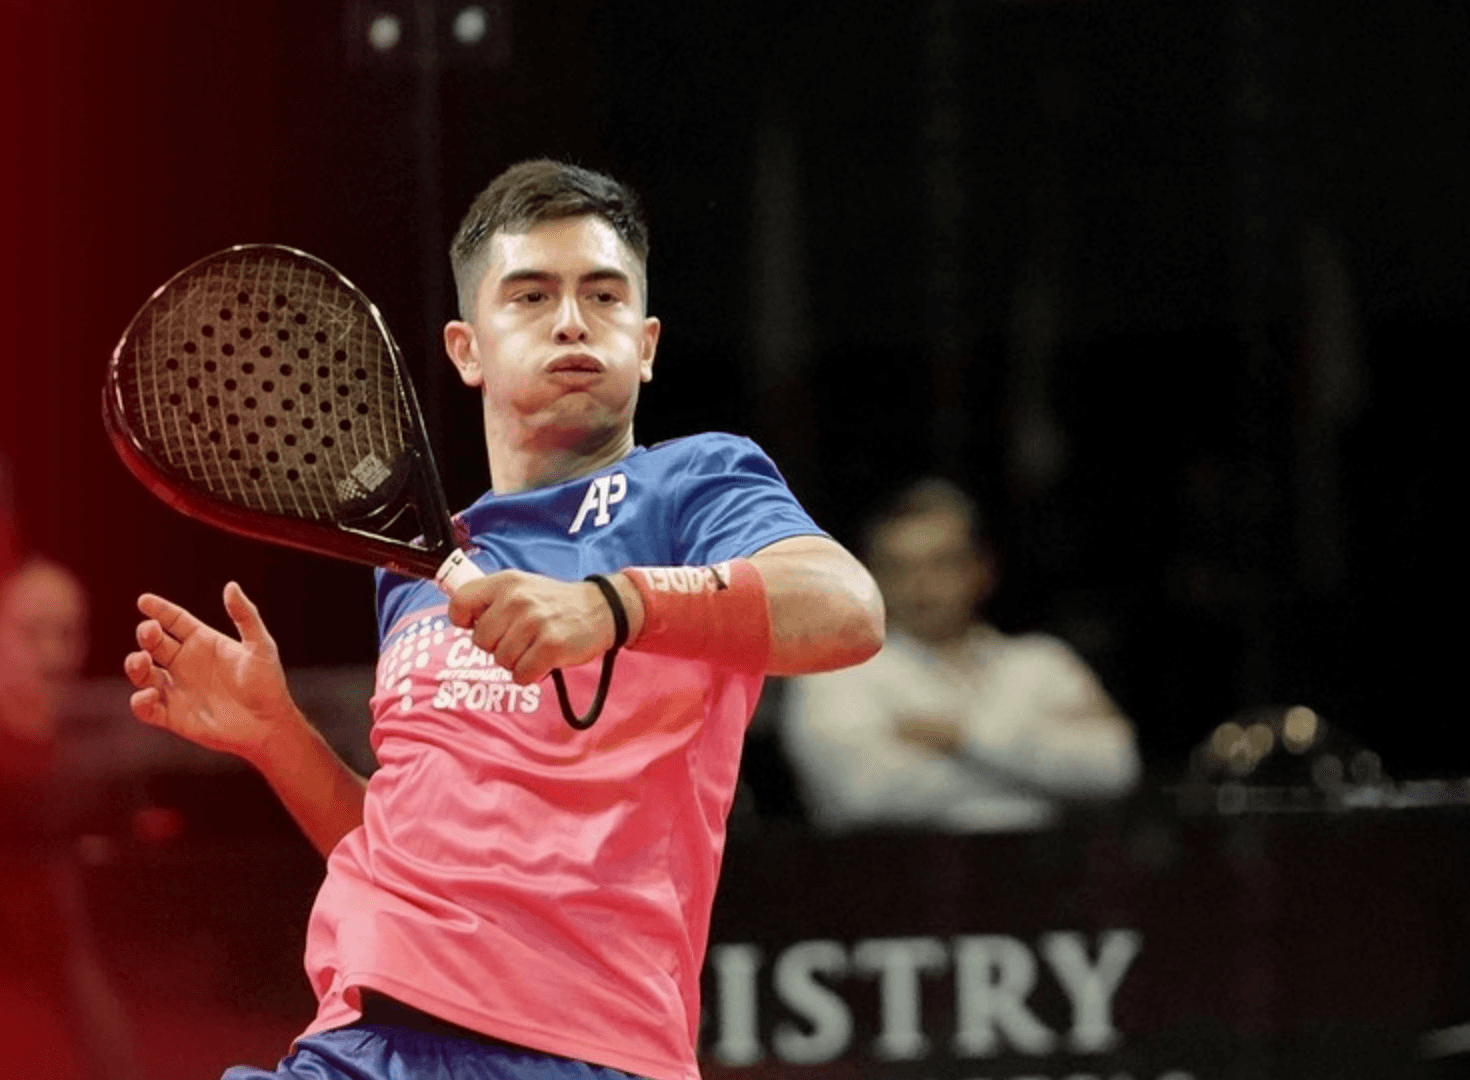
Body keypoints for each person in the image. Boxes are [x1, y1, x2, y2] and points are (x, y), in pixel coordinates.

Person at [122, 160, 885, 1080]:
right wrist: (277, 736)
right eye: (531, 296)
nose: (572, 321)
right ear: (466, 349)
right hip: (361, 1037)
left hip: (578, 1047)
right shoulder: (413, 568)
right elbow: (409, 851)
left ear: (645, 345)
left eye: (604, 296)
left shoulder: (692, 485)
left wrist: (612, 605)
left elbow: (848, 608)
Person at [779, 478, 1139, 834]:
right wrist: (1041, 777)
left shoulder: (1042, 663)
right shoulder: (835, 672)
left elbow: (1115, 768)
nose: (920, 584)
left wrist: (963, 739)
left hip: (1043, 865)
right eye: (898, 568)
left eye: (942, 564)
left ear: (981, 569)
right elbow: (862, 794)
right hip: (896, 866)